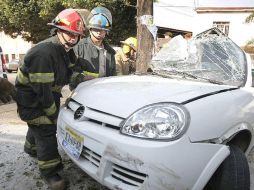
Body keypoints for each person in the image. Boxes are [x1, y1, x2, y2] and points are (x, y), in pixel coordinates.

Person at [15, 9, 85, 190]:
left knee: (37, 127)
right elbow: (42, 91)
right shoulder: (44, 53)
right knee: (46, 129)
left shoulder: (65, 51)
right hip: (31, 99)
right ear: (58, 30)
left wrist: (83, 79)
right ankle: (50, 172)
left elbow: (70, 72)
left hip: (45, 94)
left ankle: (31, 148)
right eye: (69, 33)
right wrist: (54, 115)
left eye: (76, 35)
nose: (73, 38)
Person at [70, 6, 116, 90]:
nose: (99, 33)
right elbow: (69, 73)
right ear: (90, 29)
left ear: (106, 31)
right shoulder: (78, 48)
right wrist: (82, 78)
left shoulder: (110, 52)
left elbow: (113, 75)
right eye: (96, 29)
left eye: (102, 30)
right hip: (82, 92)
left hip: (105, 91)